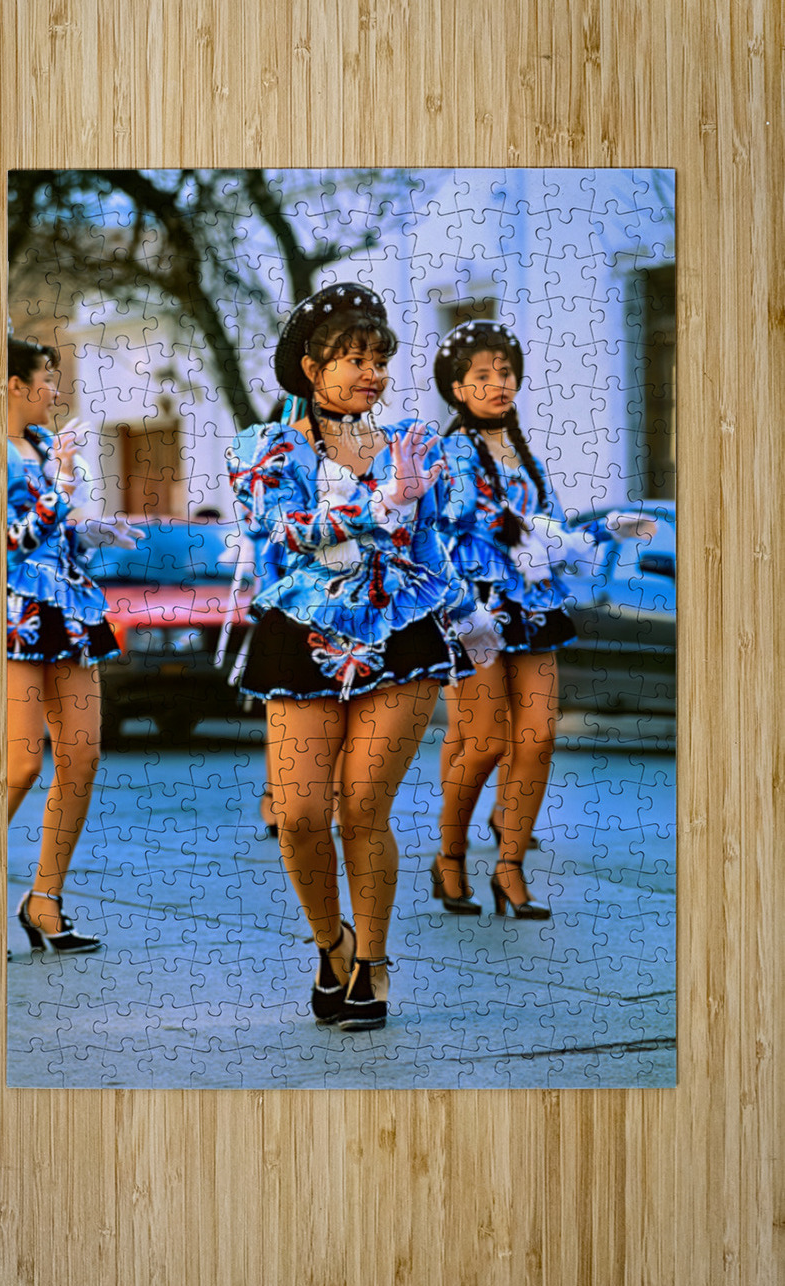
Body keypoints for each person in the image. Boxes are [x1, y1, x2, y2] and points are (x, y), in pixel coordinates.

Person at [227, 283, 471, 1029]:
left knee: (363, 807)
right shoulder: (262, 447)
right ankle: (331, 945)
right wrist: (380, 504)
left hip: (401, 635)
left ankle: (372, 962)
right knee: (301, 815)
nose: (371, 371)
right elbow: (284, 530)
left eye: (378, 358)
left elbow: (431, 547)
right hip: (299, 638)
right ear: (309, 368)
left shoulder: (414, 445)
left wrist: (471, 616)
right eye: (353, 358)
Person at [434, 320, 654, 918]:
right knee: (483, 744)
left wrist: (607, 529)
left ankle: (509, 868)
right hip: (474, 609)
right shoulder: (449, 452)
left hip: (533, 606)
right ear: (458, 388)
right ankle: (449, 857)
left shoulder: (525, 451)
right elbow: (466, 524)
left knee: (539, 737)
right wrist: (529, 535)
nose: (499, 384)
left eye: (505, 373)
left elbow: (553, 529)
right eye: (483, 376)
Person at [7, 337, 142, 954]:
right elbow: (10, 540)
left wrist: (94, 533)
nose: (56, 392)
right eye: (46, 379)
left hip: (70, 612)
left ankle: (45, 899)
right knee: (20, 765)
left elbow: (53, 536)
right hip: (12, 618)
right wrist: (61, 486)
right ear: (13, 384)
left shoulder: (40, 448)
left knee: (82, 758)